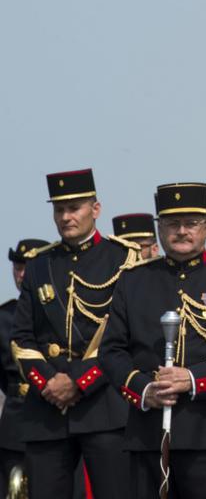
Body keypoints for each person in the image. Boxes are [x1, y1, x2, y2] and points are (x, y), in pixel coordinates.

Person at [100, 182, 206, 498]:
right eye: (172, 224)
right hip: (148, 436)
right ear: (159, 228)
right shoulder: (132, 282)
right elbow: (112, 352)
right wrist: (144, 390)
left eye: (191, 223)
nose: (182, 231)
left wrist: (192, 379)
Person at [11, 169, 139, 498]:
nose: (66, 217)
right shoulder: (39, 265)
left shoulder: (123, 259)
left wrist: (79, 382)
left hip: (105, 407)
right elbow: (22, 339)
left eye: (75, 208)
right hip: (47, 410)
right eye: (59, 210)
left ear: (95, 209)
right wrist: (50, 384)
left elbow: (125, 336)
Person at [0, 239, 48, 494]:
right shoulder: (3, 317)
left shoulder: (63, 314)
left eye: (28, 267)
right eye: (17, 267)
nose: (21, 274)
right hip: (16, 423)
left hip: (56, 417)